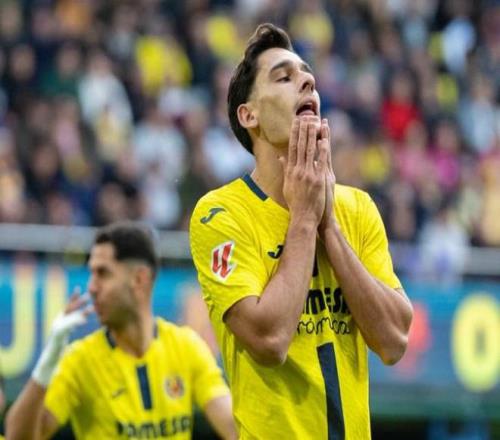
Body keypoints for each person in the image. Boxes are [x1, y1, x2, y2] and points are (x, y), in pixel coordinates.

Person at [190, 23, 413, 439]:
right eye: (284, 77)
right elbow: (270, 339)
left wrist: (329, 227)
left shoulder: (357, 208)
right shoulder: (220, 213)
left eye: (307, 75)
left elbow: (394, 340)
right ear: (249, 115)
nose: (307, 81)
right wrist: (305, 220)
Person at [6, 221, 237, 440]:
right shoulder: (80, 360)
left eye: (103, 273)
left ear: (139, 279)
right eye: (91, 273)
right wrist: (48, 362)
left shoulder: (186, 347)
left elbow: (233, 428)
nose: (92, 287)